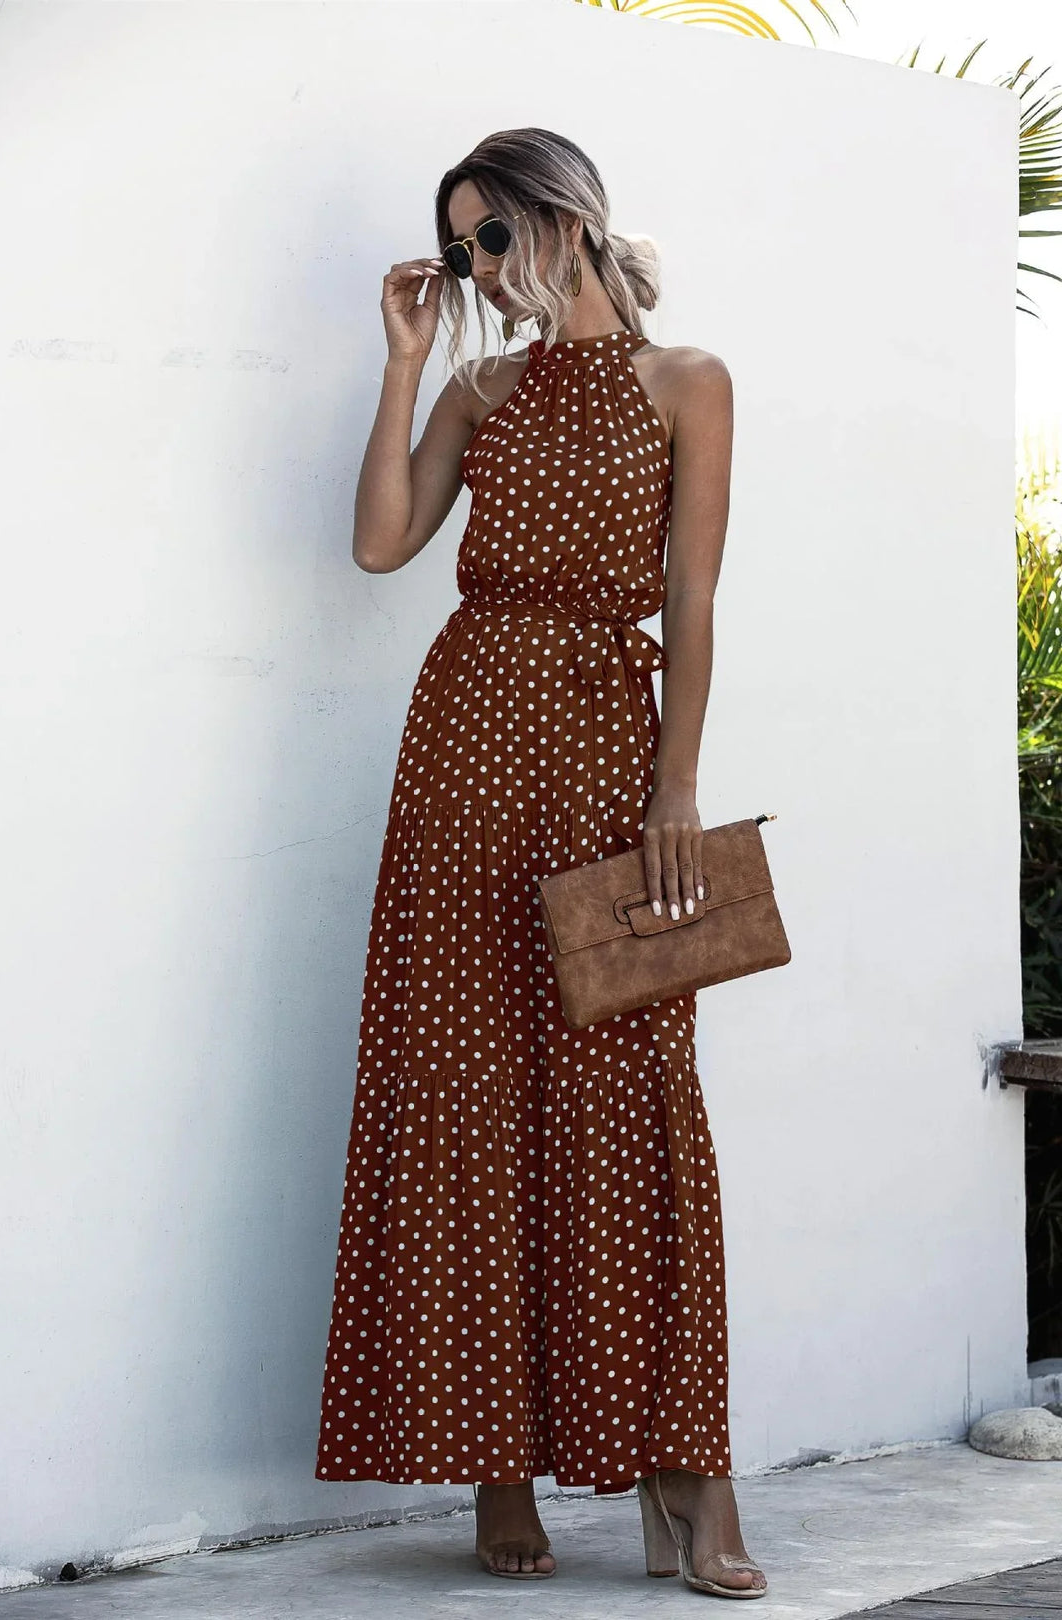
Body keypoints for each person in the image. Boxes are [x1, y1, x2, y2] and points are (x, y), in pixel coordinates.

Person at [316, 126, 767, 1597]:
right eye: (462, 249)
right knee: (468, 1084)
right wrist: (401, 360)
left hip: (603, 749)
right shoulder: (477, 385)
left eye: (492, 238)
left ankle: (686, 1484)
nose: (479, 271)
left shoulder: (687, 381)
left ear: (565, 218)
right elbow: (385, 544)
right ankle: (496, 1472)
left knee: (634, 1089)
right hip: (463, 755)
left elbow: (692, 596)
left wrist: (676, 785)